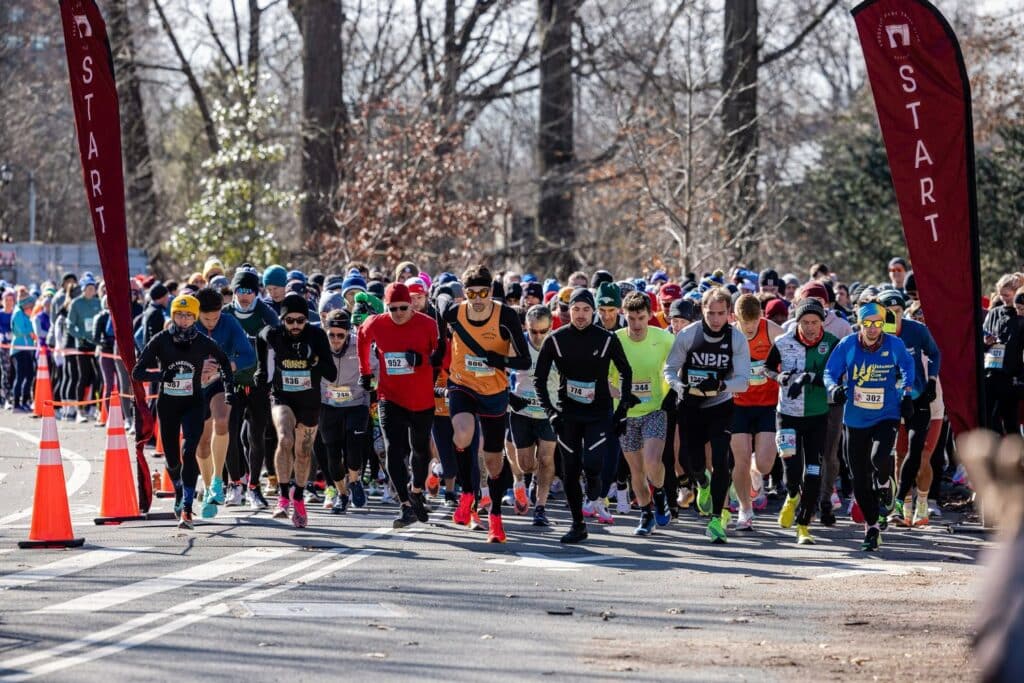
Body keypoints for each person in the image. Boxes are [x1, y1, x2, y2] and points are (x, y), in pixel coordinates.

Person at [535, 287, 635, 544]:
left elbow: (625, 371)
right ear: (568, 311)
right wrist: (550, 412)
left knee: (591, 463)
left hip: (599, 413)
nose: (580, 315)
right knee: (569, 470)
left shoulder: (606, 339)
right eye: (576, 309)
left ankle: (594, 483)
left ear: (594, 312)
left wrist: (622, 409)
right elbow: (539, 378)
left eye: (586, 310)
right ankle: (578, 524)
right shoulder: (555, 339)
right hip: (568, 414)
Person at [438, 265, 530, 543]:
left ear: (491, 291)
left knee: (493, 461)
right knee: (463, 433)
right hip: (462, 384)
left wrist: (498, 360)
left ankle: (495, 518)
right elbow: (440, 312)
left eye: (483, 292)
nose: (478, 298)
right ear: (464, 294)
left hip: (494, 390)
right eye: (471, 293)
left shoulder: (506, 316)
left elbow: (524, 361)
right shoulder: (454, 314)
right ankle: (467, 493)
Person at [133, 294, 237, 530]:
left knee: (189, 450)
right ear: (173, 316)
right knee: (172, 458)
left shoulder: (203, 342)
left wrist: (229, 392)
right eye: (179, 315)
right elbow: (137, 372)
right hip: (168, 405)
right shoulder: (161, 340)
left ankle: (188, 508)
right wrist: (161, 376)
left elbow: (225, 363)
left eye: (189, 315)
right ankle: (179, 489)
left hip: (193, 403)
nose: (184, 320)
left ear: (195, 317)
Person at [824, 299, 915, 551]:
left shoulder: (894, 344)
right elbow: (829, 372)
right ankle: (872, 527)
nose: (873, 328)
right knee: (859, 478)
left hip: (887, 413)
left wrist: (907, 393)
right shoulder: (848, 345)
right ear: (860, 324)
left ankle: (886, 484)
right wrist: (834, 389)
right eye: (868, 324)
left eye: (877, 323)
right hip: (855, 418)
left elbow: (908, 366)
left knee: (879, 457)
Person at [663, 287, 751, 544]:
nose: (715, 319)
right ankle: (701, 481)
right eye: (710, 313)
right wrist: (682, 388)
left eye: (721, 313)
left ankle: (716, 520)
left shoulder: (736, 339)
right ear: (702, 311)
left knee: (722, 460)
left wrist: (722, 386)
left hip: (720, 405)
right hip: (690, 405)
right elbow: (670, 370)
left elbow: (744, 381)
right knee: (691, 461)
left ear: (729, 314)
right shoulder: (688, 335)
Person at [358, 283, 440, 529]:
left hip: (421, 399)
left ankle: (416, 490)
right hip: (389, 396)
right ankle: (405, 505)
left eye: (403, 307)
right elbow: (362, 339)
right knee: (393, 448)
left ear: (411, 306)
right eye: (392, 308)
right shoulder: (376, 323)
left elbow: (443, 355)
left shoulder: (427, 324)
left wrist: (423, 360)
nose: (398, 313)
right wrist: (364, 372)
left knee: (419, 450)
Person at [255, 293, 336, 528]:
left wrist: (314, 361)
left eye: (300, 320)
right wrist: (262, 369)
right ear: (282, 320)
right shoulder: (273, 333)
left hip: (309, 401)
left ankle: (298, 497)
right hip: (282, 396)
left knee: (303, 451)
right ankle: (282, 497)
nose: (295, 326)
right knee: (285, 438)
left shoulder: (317, 335)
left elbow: (331, 374)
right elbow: (260, 337)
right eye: (289, 320)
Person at [764, 299, 840, 544]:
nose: (810, 327)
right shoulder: (783, 342)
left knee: (814, 471)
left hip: (818, 416)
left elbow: (835, 374)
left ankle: (804, 525)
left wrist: (808, 379)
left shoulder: (831, 343)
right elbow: (767, 368)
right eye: (805, 322)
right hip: (786, 415)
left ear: (822, 322)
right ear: (797, 322)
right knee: (792, 471)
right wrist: (780, 376)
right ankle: (792, 495)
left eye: (815, 322)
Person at [876, 289, 942, 526]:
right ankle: (901, 508)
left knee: (922, 456)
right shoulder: (875, 333)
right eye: (888, 313)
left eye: (898, 311)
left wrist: (932, 380)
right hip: (893, 402)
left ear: (904, 311)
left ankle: (922, 505)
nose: (894, 316)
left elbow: (935, 353)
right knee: (898, 457)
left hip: (925, 399)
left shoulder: (917, 330)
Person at [612, 292, 674, 536]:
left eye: (641, 318)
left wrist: (672, 393)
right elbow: (604, 379)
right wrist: (622, 395)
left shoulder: (664, 339)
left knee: (651, 461)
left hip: (655, 410)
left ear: (650, 315)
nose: (636, 325)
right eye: (631, 319)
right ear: (623, 316)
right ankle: (646, 514)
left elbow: (677, 366)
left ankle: (659, 494)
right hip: (626, 413)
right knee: (635, 470)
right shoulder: (615, 340)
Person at [194, 287, 256, 515]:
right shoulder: (187, 322)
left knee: (222, 420)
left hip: (220, 381)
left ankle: (219, 479)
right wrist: (196, 368)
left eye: (215, 317)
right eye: (206, 318)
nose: (211, 323)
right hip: (194, 385)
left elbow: (249, 355)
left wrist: (229, 365)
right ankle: (209, 487)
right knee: (201, 441)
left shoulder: (229, 323)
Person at [222, 268, 280, 508]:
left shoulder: (266, 314)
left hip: (258, 385)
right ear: (234, 292)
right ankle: (235, 485)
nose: (244, 296)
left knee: (256, 438)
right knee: (230, 436)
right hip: (231, 384)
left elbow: (278, 347)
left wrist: (272, 380)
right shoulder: (225, 314)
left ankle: (254, 486)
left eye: (249, 291)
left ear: (256, 292)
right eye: (239, 290)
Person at [730, 294, 784, 530]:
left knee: (765, 465)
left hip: (767, 404)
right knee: (739, 460)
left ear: (760, 316)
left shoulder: (771, 330)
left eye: (753, 322)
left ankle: (756, 471)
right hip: (738, 405)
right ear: (736, 318)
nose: (750, 328)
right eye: (745, 323)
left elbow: (792, 346)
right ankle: (745, 509)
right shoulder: (730, 334)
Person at [507, 304, 559, 527]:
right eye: (532, 331)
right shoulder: (515, 345)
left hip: (549, 412)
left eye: (542, 331)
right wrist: (509, 396)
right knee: (527, 464)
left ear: (551, 326)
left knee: (547, 460)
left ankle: (540, 508)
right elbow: (497, 372)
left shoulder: (559, 345)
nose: (537, 336)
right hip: (522, 411)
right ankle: (519, 481)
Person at [318, 309, 371, 513]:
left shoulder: (360, 344)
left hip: (356, 403)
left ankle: (355, 482)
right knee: (332, 453)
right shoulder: (318, 345)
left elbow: (374, 370)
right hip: (328, 403)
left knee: (353, 444)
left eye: (341, 335)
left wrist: (367, 387)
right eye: (332, 334)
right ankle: (342, 494)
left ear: (348, 332)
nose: (336, 339)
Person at [67, 274, 102, 422]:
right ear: (83, 289)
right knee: (83, 376)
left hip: (96, 345)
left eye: (93, 288)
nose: (90, 291)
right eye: (88, 288)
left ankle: (94, 408)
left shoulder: (98, 302)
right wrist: (80, 335)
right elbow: (69, 325)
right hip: (82, 345)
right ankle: (79, 410)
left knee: (98, 377)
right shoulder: (76, 303)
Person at [11, 295, 36, 412]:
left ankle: (25, 401)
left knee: (30, 376)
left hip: (27, 349)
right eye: (30, 305)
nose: (31, 307)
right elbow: (20, 330)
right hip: (18, 349)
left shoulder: (26, 316)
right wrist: (31, 332)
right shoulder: (18, 313)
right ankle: (16, 403)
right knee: (20, 376)